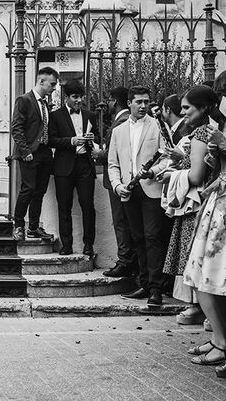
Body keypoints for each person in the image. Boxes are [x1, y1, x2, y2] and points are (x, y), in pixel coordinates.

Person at [158, 86, 217, 325]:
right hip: (204, 202)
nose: (182, 113)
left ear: (203, 108)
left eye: (186, 108)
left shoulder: (202, 134)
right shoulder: (206, 131)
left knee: (195, 257)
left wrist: (172, 176)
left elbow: (195, 176)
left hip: (200, 204)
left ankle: (202, 310)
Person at [108, 86, 169, 307]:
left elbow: (168, 159)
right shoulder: (118, 131)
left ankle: (156, 288)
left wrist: (153, 171)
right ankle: (143, 283)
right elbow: (113, 164)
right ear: (130, 104)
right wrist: (117, 186)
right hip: (129, 191)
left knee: (153, 237)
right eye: (139, 102)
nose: (143, 106)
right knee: (138, 238)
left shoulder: (158, 126)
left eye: (146, 101)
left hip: (152, 189)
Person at [183, 83, 226, 377]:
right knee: (202, 276)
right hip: (217, 203)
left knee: (211, 276)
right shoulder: (216, 127)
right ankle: (218, 339)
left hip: (221, 209)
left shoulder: (216, 130)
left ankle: (221, 342)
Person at [48, 80, 101, 256]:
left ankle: (88, 245)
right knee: (64, 207)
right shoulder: (56, 116)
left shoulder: (90, 115)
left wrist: (93, 139)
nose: (79, 101)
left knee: (88, 206)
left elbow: (99, 140)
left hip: (85, 164)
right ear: (67, 97)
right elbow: (51, 140)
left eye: (81, 97)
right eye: (75, 97)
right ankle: (67, 245)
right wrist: (71, 141)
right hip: (64, 166)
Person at [11, 66, 59, 242]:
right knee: (28, 189)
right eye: (52, 84)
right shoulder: (24, 100)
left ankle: (33, 227)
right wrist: (25, 151)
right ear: (41, 81)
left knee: (40, 191)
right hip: (30, 153)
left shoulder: (46, 103)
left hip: (45, 153)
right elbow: (16, 128)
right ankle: (18, 226)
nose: (54, 88)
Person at [100, 87, 136, 277]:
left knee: (121, 221)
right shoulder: (120, 121)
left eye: (108, 100)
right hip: (119, 180)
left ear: (115, 101)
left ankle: (125, 261)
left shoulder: (121, 122)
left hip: (118, 181)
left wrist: (100, 154)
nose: (106, 103)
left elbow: (118, 152)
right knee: (122, 221)